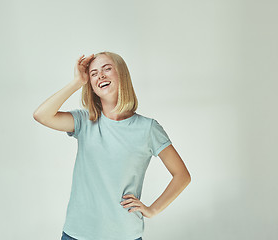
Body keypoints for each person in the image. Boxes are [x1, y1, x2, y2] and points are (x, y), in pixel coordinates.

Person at [33, 52, 191, 240]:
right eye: (93, 73)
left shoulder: (148, 129)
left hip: (124, 235)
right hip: (76, 234)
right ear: (90, 85)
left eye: (107, 69)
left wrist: (152, 210)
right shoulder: (85, 121)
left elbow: (182, 175)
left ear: (122, 75)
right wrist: (77, 82)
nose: (100, 75)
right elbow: (41, 115)